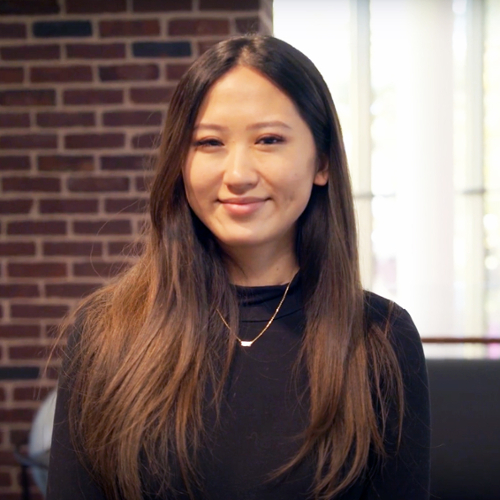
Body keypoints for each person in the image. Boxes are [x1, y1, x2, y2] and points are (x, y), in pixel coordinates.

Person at [46, 35, 430, 500]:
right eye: (209, 142)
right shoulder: (105, 332)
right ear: (180, 163)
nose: (238, 174)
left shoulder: (380, 338)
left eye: (269, 140)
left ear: (321, 161)